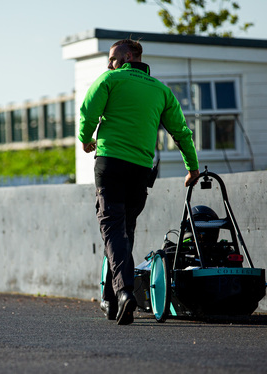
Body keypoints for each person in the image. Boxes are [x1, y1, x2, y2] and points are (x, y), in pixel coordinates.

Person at [79, 39, 199, 325]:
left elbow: (88, 110)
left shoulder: (110, 79)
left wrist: (86, 140)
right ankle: (110, 300)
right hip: (140, 170)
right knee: (124, 231)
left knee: (112, 229)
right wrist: (192, 168)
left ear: (129, 56)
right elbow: (181, 132)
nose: (109, 64)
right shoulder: (161, 90)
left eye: (113, 58)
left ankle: (123, 293)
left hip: (110, 163)